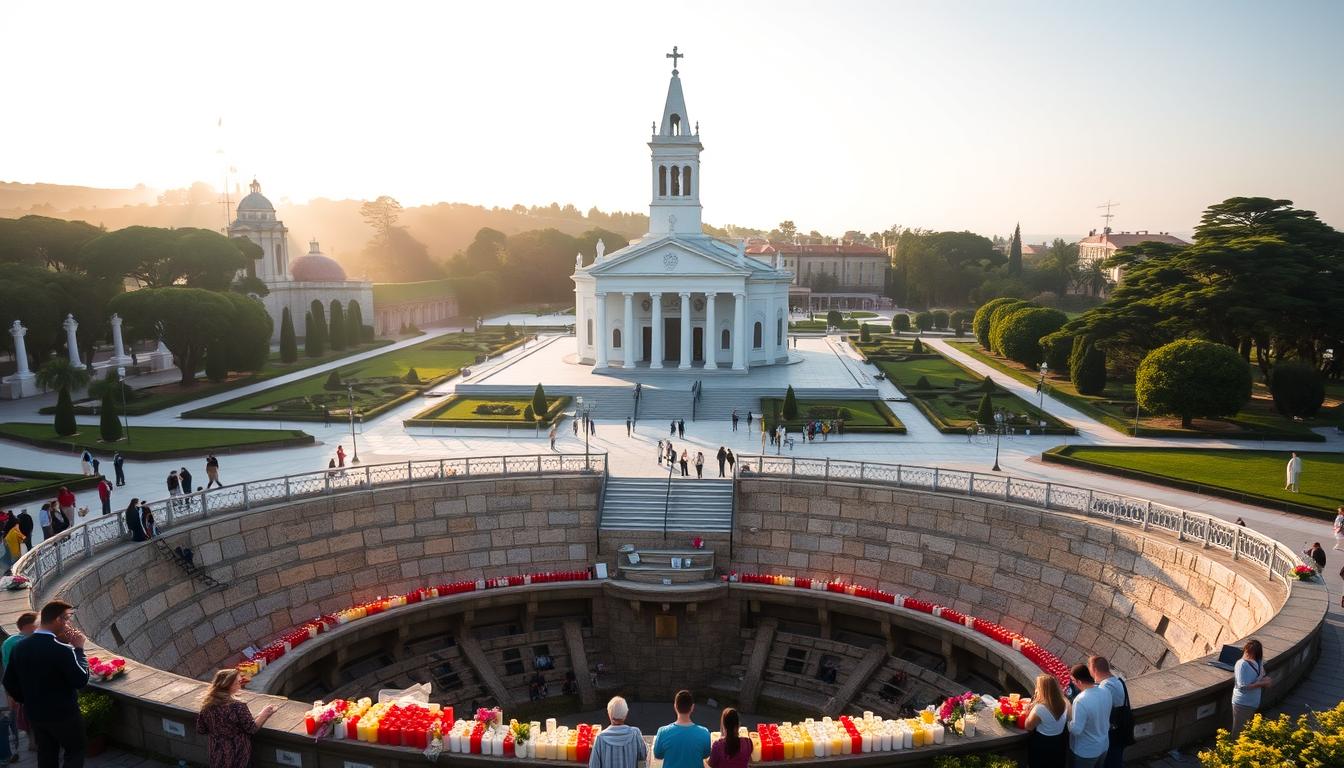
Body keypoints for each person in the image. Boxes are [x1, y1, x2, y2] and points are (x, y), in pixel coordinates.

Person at [2, 600, 90, 768]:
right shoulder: (62, 650)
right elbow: (80, 680)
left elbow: (8, 681)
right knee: (75, 751)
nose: (68, 624)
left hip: (36, 714)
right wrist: (79, 649)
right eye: (67, 619)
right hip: (64, 715)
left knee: (46, 754)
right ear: (58, 619)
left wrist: (27, 699)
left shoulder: (19, 647)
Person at [195, 668, 278, 768]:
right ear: (229, 685)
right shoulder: (238, 706)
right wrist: (265, 714)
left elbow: (201, 729)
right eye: (238, 682)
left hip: (217, 753)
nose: (240, 685)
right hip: (238, 753)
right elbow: (251, 728)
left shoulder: (207, 705)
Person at [2, 612, 38, 754]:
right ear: (29, 626)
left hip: (16, 688)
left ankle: (30, 742)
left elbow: (6, 669)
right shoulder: (24, 642)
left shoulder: (8, 642)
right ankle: (35, 742)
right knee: (31, 717)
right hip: (27, 688)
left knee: (23, 717)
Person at [1089, 656, 1131, 768]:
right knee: (1116, 760)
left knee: (1110, 761)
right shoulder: (1118, 681)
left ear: (1094, 670)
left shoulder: (1104, 687)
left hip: (1111, 732)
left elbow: (1099, 711)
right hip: (1122, 728)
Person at [653, 690, 710, 768]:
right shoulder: (704, 732)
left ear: (675, 706)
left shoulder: (662, 732)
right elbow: (706, 754)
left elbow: (658, 755)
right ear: (692, 707)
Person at [1067, 663, 1109, 768]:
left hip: (1086, 751)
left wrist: (1068, 720)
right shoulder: (1106, 691)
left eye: (1073, 681)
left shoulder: (1081, 700)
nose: (1073, 683)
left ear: (1079, 682)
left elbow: (1076, 730)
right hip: (1103, 745)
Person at [1024, 673, 1069, 768]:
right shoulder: (1064, 702)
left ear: (1042, 690)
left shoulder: (1040, 708)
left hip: (1043, 744)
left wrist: (1027, 712)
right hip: (1058, 744)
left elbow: (1028, 726)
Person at [589, 696, 646, 768]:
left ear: (609, 714)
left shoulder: (600, 738)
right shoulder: (636, 733)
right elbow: (643, 756)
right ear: (625, 715)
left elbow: (593, 766)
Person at [1231, 639, 1270, 736]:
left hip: (1250, 702)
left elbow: (1261, 676)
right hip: (1243, 703)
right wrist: (1262, 683)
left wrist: (1265, 680)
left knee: (1243, 731)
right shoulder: (1243, 664)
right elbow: (1242, 686)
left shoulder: (1256, 662)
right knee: (1239, 731)